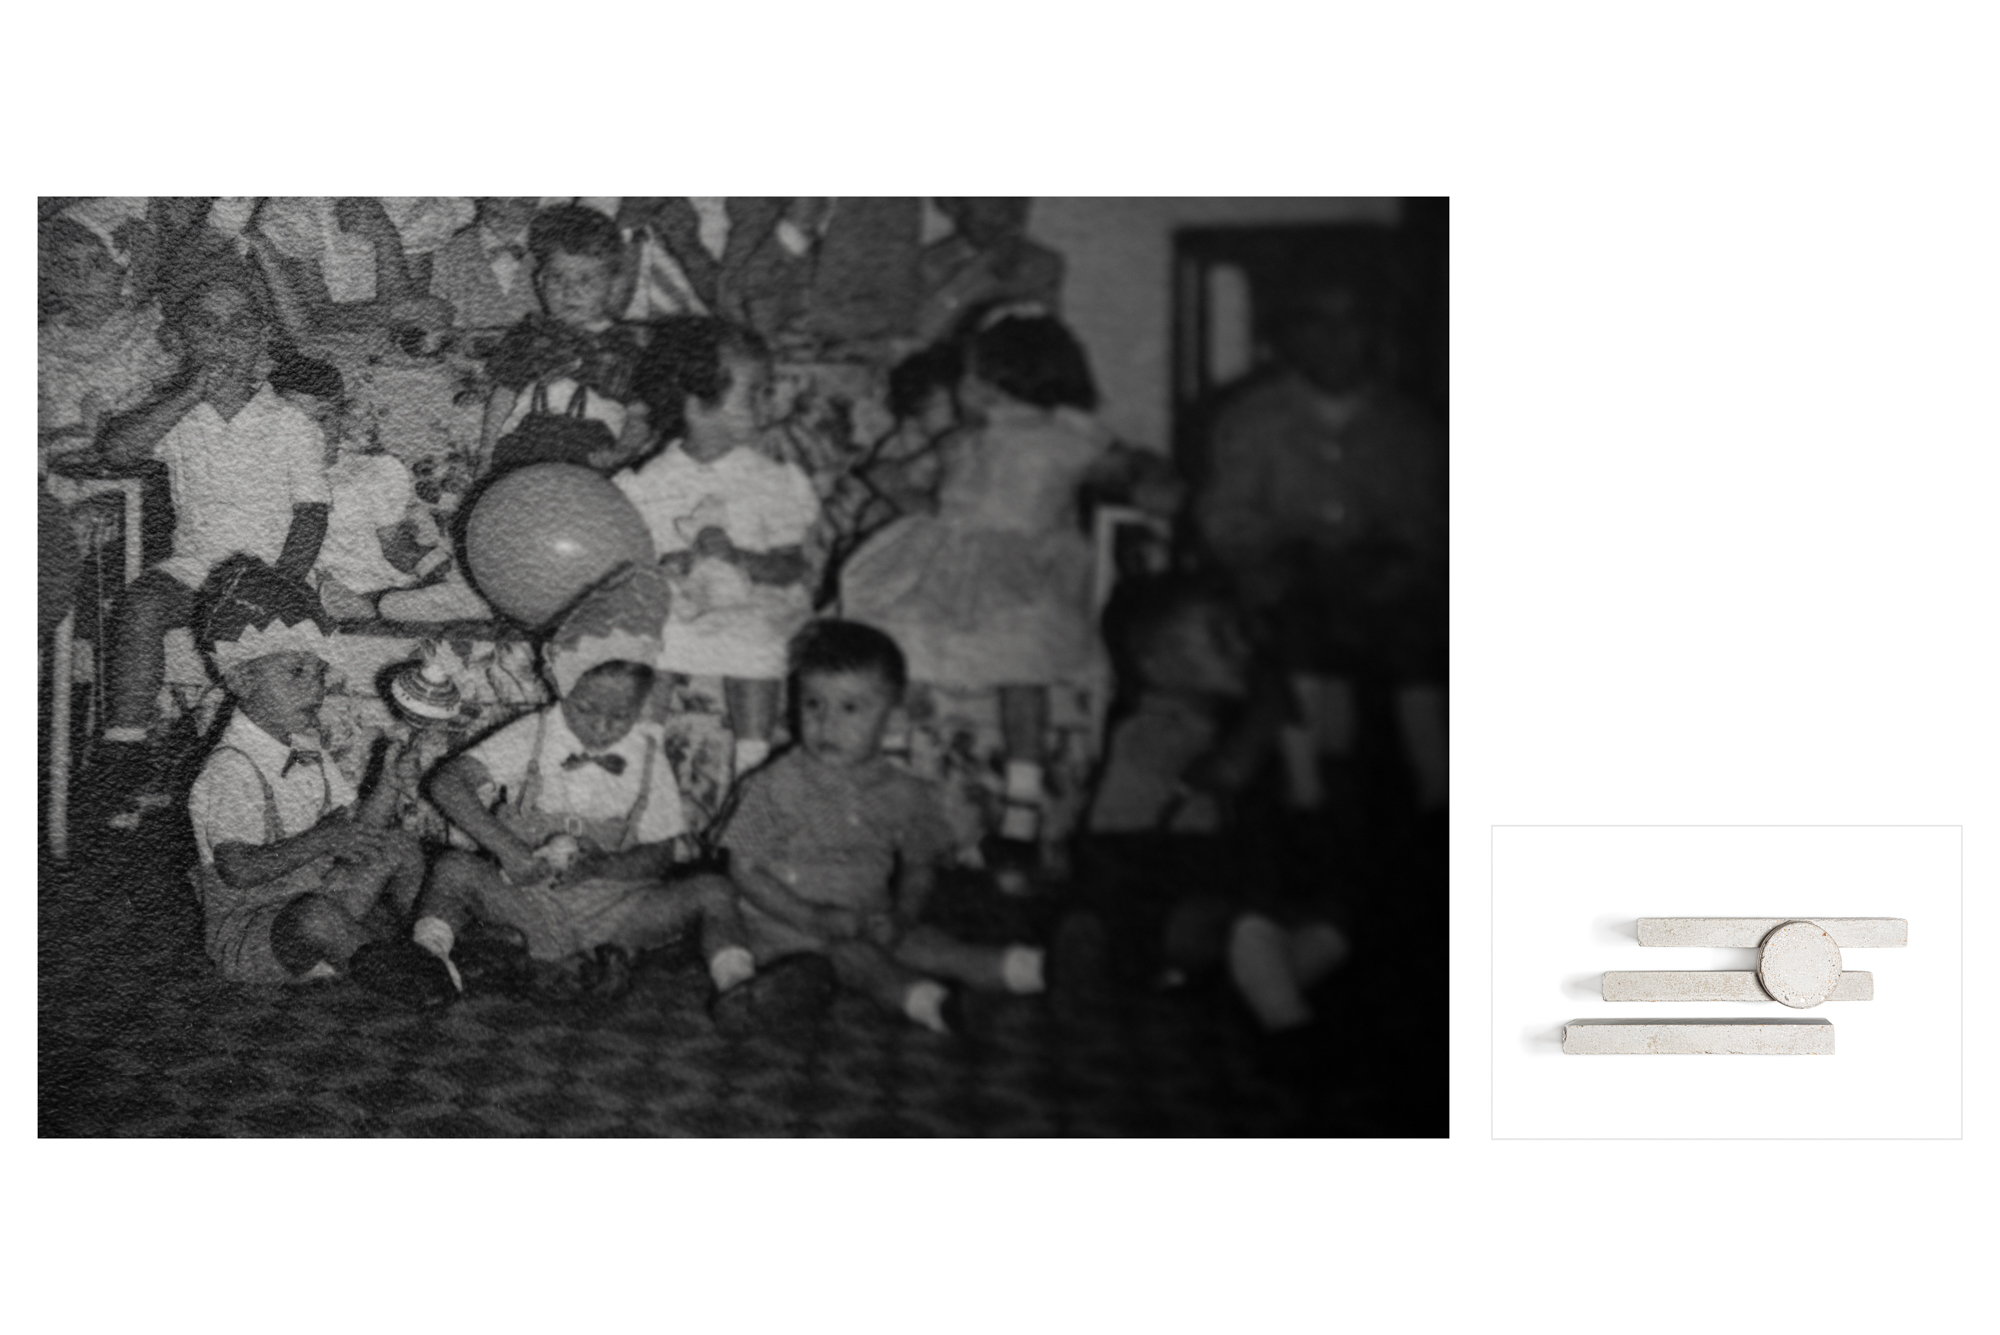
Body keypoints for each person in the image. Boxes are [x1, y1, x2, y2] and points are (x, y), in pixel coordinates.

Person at [410, 564, 826, 1026]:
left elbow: (662, 854)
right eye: (587, 709)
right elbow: (446, 782)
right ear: (562, 683)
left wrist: (605, 866)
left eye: (620, 715)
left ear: (642, 702)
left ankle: (738, 986)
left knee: (712, 890)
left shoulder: (645, 753)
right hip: (528, 901)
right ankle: (428, 960)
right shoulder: (536, 733)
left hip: (615, 910)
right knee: (453, 869)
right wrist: (508, 849)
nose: (602, 728)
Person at [839, 306, 1112, 868]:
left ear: (999, 383)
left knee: (1021, 662)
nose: (962, 389)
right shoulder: (978, 438)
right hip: (961, 561)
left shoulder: (1053, 438)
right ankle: (905, 791)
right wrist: (917, 498)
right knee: (918, 642)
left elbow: (1116, 469)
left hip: (1016, 573)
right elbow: (908, 479)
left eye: (968, 377)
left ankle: (1019, 812)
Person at [718, 620, 1052, 1035]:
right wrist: (811, 915)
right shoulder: (774, 785)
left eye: (850, 708)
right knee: (854, 958)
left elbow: (920, 865)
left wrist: (903, 915)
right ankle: (932, 1003)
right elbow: (742, 869)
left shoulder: (904, 793)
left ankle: (1032, 969)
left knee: (927, 943)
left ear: (892, 719)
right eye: (813, 704)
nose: (826, 723)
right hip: (785, 932)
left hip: (867, 918)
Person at [1195, 286, 1448, 818]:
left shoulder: (1407, 424)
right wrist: (1272, 549)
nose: (1334, 340)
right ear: (1292, 336)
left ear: (1372, 335)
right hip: (1287, 575)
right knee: (1294, 629)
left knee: (1417, 637)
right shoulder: (1252, 417)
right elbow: (1225, 514)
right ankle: (1303, 790)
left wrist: (1399, 557)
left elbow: (1427, 518)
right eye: (1318, 324)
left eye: (1349, 324)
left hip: (1380, 578)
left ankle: (1437, 791)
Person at [94, 278, 332, 822]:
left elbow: (312, 513)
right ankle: (125, 751)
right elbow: (116, 450)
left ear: (262, 337)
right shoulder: (178, 415)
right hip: (197, 570)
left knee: (270, 666)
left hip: (271, 573)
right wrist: (187, 395)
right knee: (138, 604)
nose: (224, 337)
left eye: (239, 324)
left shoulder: (290, 422)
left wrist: (279, 583)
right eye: (207, 324)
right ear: (182, 339)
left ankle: (288, 785)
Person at [1082, 575, 1353, 1042]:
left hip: (1202, 887)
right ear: (1155, 662)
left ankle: (1250, 997)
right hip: (1147, 905)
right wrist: (1267, 711)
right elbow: (1224, 774)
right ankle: (1288, 1029)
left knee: (1328, 926)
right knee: (1249, 923)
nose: (1243, 650)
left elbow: (1298, 797)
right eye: (1220, 638)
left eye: (1241, 633)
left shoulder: (1221, 729)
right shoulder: (1145, 729)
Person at [184, 557, 444, 997]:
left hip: (318, 892)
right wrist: (322, 840)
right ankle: (406, 979)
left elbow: (357, 832)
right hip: (257, 931)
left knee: (399, 846)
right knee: (315, 918)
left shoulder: (305, 745)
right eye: (296, 672)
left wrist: (388, 782)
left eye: (319, 672)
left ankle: (429, 948)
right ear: (242, 680)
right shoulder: (231, 767)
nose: (316, 688)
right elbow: (238, 870)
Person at [615, 316, 819, 780]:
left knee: (759, 638)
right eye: (755, 393)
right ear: (697, 404)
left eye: (768, 391)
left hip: (748, 598)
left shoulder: (770, 479)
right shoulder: (651, 481)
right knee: (645, 636)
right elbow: (628, 560)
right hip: (676, 602)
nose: (768, 405)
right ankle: (640, 752)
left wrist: (740, 559)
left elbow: (792, 566)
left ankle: (753, 760)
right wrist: (664, 566)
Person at [478, 204, 650, 475]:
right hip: (525, 449)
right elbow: (503, 397)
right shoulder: (529, 336)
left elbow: (640, 413)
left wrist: (623, 451)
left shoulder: (626, 347)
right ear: (540, 281)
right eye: (557, 277)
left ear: (613, 285)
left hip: (594, 457)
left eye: (585, 280)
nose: (569, 291)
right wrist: (486, 456)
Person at [38, 214, 177, 454]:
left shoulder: (155, 337)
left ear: (125, 272)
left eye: (97, 265)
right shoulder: (40, 348)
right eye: (68, 267)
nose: (82, 280)